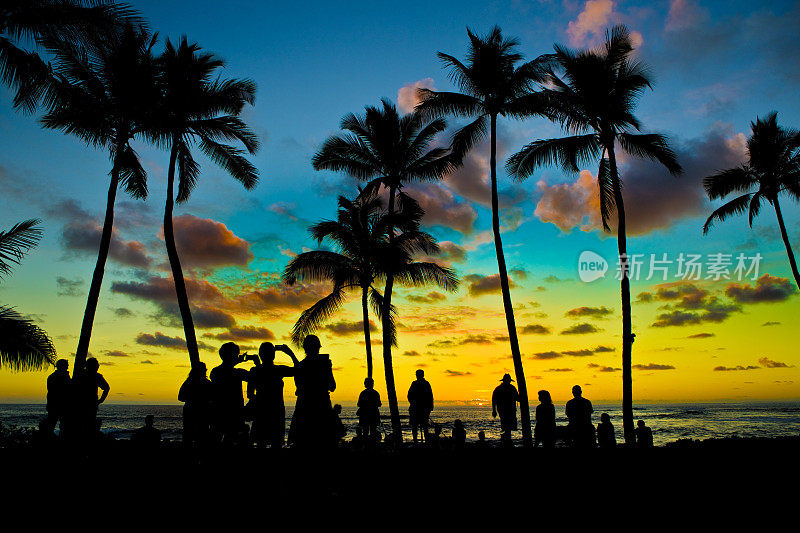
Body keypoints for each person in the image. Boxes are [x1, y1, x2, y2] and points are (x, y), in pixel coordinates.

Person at [288, 335, 336, 448]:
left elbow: (298, 387)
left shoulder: (301, 365)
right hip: (322, 406)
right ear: (318, 348)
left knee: (303, 442)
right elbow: (332, 386)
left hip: (304, 407)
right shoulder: (324, 364)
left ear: (305, 348)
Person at [247, 342, 297, 448]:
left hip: (263, 410)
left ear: (260, 354)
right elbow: (298, 370)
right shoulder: (277, 370)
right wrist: (290, 353)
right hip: (275, 410)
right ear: (274, 355)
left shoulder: (255, 370)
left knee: (262, 443)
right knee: (275, 443)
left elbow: (250, 394)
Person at [210, 342, 251, 446]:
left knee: (218, 439)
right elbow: (255, 378)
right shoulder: (237, 373)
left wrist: (236, 361)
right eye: (236, 355)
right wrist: (257, 363)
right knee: (230, 439)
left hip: (219, 411)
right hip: (234, 412)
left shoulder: (215, 372)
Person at [73, 357, 109, 444]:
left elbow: (106, 388)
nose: (98, 367)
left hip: (81, 403)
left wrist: (100, 400)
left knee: (82, 424)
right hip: (89, 403)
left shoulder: (80, 374)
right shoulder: (96, 376)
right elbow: (106, 388)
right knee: (88, 423)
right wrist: (101, 400)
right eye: (97, 365)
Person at [178, 362, 214, 448]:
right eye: (204, 370)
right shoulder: (207, 383)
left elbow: (180, 397)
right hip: (198, 411)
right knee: (200, 435)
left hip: (194, 411)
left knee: (190, 435)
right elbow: (180, 397)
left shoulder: (188, 382)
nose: (205, 371)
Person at [45, 359, 71, 435]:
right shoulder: (62, 377)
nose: (67, 368)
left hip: (54, 404)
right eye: (66, 366)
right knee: (60, 426)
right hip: (61, 405)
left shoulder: (52, 377)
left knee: (53, 425)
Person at [492, 373, 519, 446]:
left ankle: (507, 439)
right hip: (504, 410)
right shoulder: (500, 389)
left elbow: (517, 398)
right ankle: (507, 440)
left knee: (507, 427)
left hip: (509, 410)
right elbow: (494, 400)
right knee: (507, 426)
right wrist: (494, 410)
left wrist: (494, 410)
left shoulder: (510, 388)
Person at [407, 369, 433, 443]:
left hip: (422, 408)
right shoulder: (419, 383)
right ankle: (419, 440)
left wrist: (429, 407)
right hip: (418, 408)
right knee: (418, 425)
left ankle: (422, 440)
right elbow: (409, 395)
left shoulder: (423, 384)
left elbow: (430, 396)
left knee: (421, 425)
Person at [357, 378, 381, 442]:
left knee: (365, 432)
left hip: (365, 415)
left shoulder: (363, 393)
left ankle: (366, 446)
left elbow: (359, 404)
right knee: (373, 431)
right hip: (373, 415)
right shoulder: (375, 393)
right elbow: (379, 404)